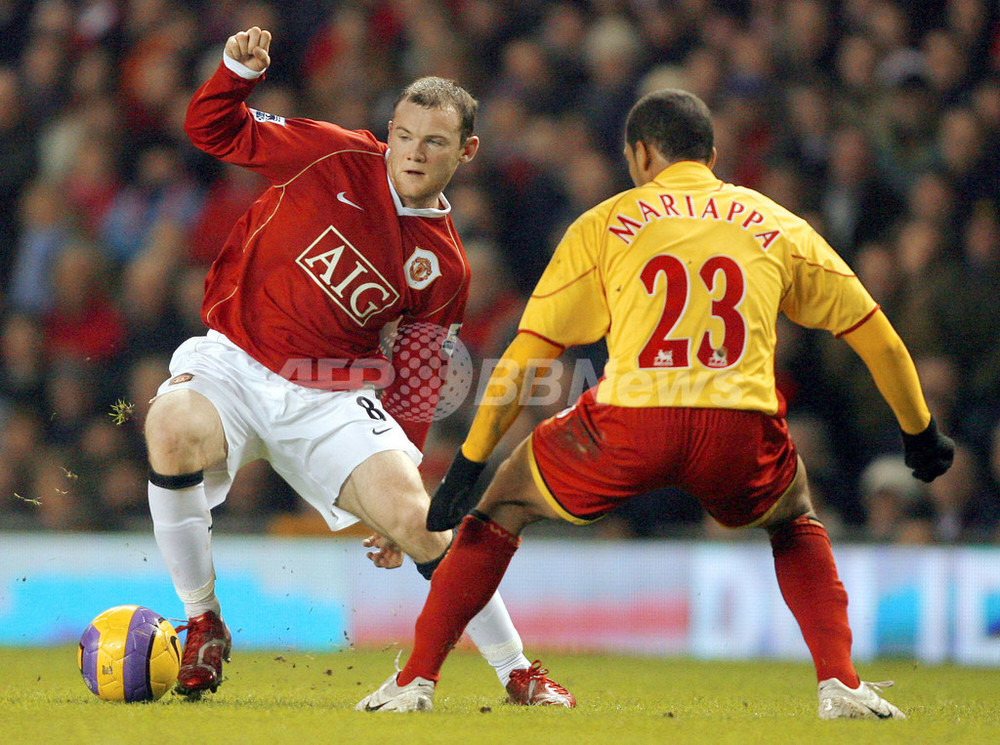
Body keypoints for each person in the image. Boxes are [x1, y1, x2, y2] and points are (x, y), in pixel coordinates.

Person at [358, 89, 955, 717]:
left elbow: (527, 355)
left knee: (504, 501)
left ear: (641, 154)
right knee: (793, 512)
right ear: (712, 155)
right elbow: (876, 335)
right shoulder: (777, 223)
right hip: (739, 426)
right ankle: (839, 684)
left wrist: (471, 463)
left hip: (632, 423)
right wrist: (920, 431)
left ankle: (416, 681)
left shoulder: (606, 222)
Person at [145, 27, 572, 707]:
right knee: (168, 426)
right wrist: (234, 72)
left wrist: (399, 470)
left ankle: (517, 670)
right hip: (234, 360)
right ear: (390, 132)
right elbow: (211, 129)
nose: (413, 151)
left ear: (467, 152)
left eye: (434, 141)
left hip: (330, 395)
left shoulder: (447, 265)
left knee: (422, 522)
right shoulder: (332, 155)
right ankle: (203, 621)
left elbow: (419, 379)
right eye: (404, 134)